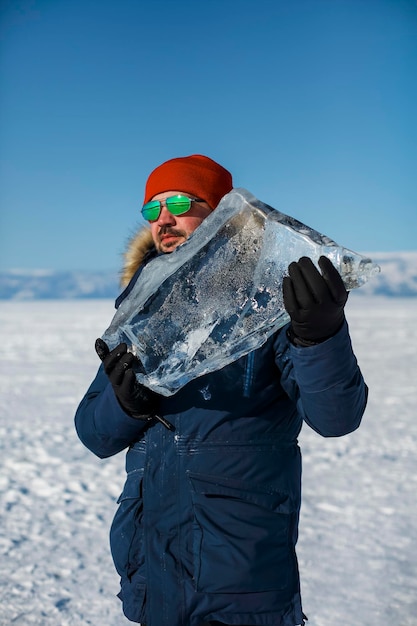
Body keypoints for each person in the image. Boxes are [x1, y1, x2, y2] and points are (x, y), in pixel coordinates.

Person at [75, 154, 368, 626]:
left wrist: (319, 337)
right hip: (152, 576)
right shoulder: (143, 311)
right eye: (152, 209)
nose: (162, 219)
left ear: (220, 213)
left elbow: (336, 417)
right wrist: (124, 404)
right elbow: (93, 433)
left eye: (177, 202)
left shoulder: (271, 302)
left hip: (241, 584)